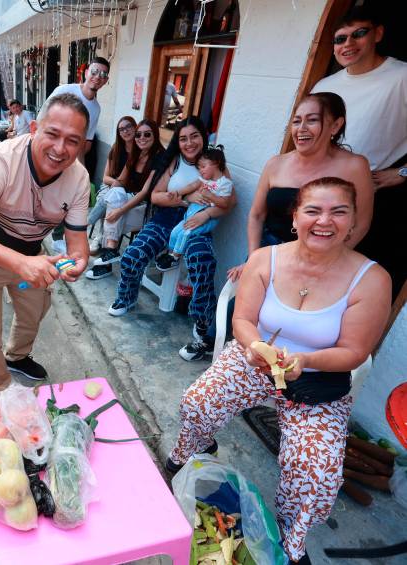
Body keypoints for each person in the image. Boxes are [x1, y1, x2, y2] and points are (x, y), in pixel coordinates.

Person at [166, 178, 391, 564]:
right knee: (198, 403)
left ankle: (292, 533)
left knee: (315, 471)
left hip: (317, 378)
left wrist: (307, 361)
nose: (325, 221)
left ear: (353, 221)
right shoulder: (265, 258)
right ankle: (191, 448)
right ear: (295, 217)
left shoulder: (371, 279)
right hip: (256, 358)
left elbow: (355, 351)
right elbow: (244, 320)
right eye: (313, 211)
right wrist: (255, 346)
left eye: (339, 211)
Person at [0, 93, 90, 391]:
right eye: (52, 134)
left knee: (34, 312)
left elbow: (77, 241)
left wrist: (78, 261)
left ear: (81, 145)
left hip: (31, 254)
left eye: (72, 140)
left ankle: (16, 356)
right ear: (33, 130)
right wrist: (20, 262)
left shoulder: (79, 179)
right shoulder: (0, 160)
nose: (59, 149)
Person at [108, 117, 235, 362]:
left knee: (203, 260)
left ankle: (203, 325)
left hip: (197, 221)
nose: (189, 143)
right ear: (178, 141)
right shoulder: (173, 161)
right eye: (183, 138)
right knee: (134, 253)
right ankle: (127, 297)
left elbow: (229, 203)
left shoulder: (214, 163)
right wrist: (188, 199)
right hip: (169, 217)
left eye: (194, 136)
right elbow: (155, 197)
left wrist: (206, 212)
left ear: (204, 136)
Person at [311, 4, 407, 299]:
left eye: (359, 34)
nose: (348, 44)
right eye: (340, 38)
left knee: (356, 285)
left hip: (380, 202)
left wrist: (403, 172)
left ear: (378, 34)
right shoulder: (325, 86)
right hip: (325, 197)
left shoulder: (401, 76)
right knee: (318, 276)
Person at [228, 93, 373, 282]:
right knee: (238, 308)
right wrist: (254, 258)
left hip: (321, 260)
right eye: (296, 121)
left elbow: (360, 224)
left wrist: (331, 261)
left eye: (312, 120)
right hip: (268, 252)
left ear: (336, 125)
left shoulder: (355, 167)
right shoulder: (275, 164)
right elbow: (256, 215)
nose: (301, 129)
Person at [46, 57, 110, 255]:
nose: (97, 77)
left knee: (66, 198)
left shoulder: (95, 108)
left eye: (103, 74)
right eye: (94, 71)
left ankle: (59, 238)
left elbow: (85, 142)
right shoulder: (64, 91)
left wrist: (81, 170)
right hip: (49, 153)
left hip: (70, 159)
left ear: (106, 80)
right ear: (85, 72)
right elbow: (43, 121)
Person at [86, 120, 164, 280]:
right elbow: (120, 180)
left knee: (114, 214)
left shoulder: (159, 158)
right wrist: (110, 193)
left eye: (147, 134)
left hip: (145, 208)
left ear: (155, 135)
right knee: (114, 196)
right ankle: (110, 252)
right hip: (129, 202)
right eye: (139, 135)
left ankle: (89, 232)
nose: (142, 138)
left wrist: (118, 210)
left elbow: (144, 193)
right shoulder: (135, 155)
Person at [156, 147, 233, 271]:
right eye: (199, 167)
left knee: (186, 233)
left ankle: (175, 257)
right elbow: (192, 186)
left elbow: (225, 203)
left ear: (216, 163)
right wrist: (176, 193)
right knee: (176, 231)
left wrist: (211, 196)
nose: (200, 170)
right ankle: (171, 252)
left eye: (203, 166)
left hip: (206, 218)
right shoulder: (204, 180)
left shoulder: (225, 184)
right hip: (191, 212)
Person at [87, 116, 138, 254]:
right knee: (106, 197)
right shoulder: (116, 148)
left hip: (127, 191)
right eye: (121, 129)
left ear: (135, 127)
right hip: (110, 185)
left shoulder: (140, 150)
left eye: (128, 127)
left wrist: (118, 184)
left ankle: (90, 227)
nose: (125, 131)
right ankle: (100, 235)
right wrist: (115, 183)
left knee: (110, 201)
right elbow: (105, 178)